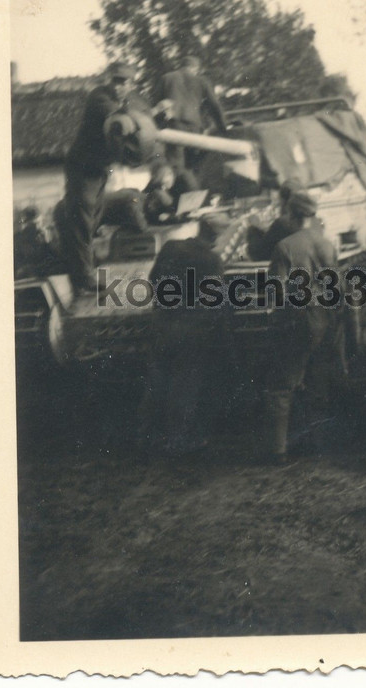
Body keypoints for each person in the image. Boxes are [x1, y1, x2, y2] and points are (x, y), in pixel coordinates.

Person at [59, 62, 155, 293]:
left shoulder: (123, 102)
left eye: (126, 82)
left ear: (131, 84)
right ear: (108, 80)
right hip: (83, 168)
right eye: (117, 81)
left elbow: (135, 115)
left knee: (92, 217)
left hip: (98, 169)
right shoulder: (99, 98)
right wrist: (149, 115)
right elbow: (119, 119)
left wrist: (150, 114)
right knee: (82, 219)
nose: (120, 86)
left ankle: (86, 266)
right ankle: (84, 277)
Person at [139, 214, 230, 456]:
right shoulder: (212, 260)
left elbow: (153, 279)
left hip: (162, 324)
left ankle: (148, 437)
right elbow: (216, 301)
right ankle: (177, 441)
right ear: (217, 237)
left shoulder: (171, 247)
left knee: (157, 380)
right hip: (191, 329)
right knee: (184, 385)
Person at [262, 190, 341, 464]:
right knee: (315, 382)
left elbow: (276, 293)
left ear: (292, 215)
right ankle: (316, 444)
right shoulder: (327, 244)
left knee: (281, 385)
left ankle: (278, 452)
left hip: (297, 320)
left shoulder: (285, 247)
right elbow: (335, 288)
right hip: (323, 319)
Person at [154, 55, 227, 176]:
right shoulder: (202, 81)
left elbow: (156, 105)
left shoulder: (166, 78)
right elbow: (215, 106)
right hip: (194, 128)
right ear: (196, 68)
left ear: (181, 66)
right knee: (193, 167)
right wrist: (223, 128)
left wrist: (157, 128)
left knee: (175, 166)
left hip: (174, 127)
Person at [247, 178, 303, 260]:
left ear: (283, 201)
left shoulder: (283, 222)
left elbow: (258, 253)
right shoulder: (313, 220)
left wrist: (253, 229)